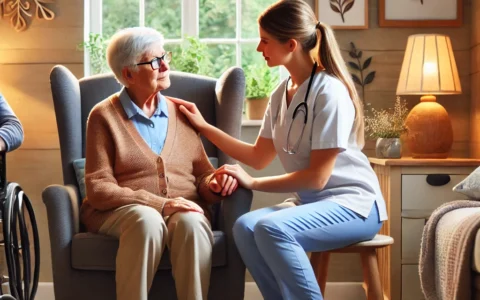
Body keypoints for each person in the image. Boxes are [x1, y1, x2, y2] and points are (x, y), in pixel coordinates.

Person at [170, 1, 388, 299]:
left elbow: (317, 179)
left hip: (356, 207)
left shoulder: (330, 92)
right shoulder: (280, 92)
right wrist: (204, 126)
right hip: (314, 204)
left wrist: (252, 182)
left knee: (272, 228)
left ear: (291, 44)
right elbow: (259, 157)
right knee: (245, 226)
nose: (260, 48)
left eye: (265, 40)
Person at [80, 27, 238, 300]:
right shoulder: (103, 116)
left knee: (192, 221)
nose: (165, 65)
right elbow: (99, 187)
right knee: (148, 220)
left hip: (182, 207)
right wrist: (161, 204)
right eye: (154, 61)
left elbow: (202, 175)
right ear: (128, 74)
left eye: (164, 56)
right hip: (123, 212)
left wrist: (215, 183)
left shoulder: (183, 113)